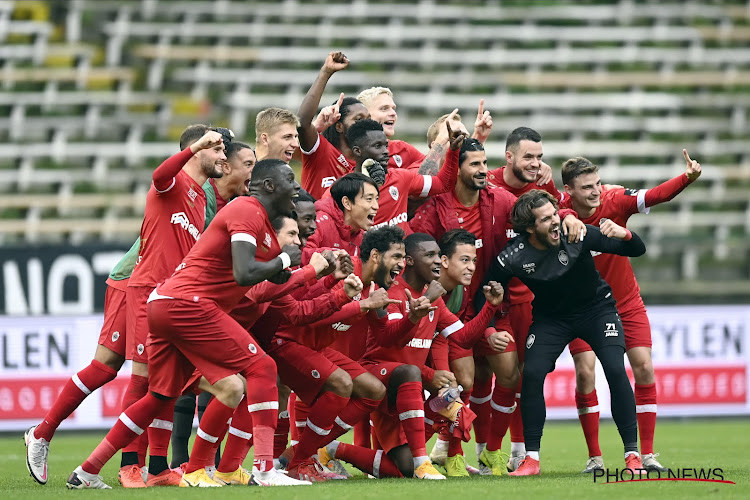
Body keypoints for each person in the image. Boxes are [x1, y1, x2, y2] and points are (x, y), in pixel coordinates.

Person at [65, 159, 310, 489]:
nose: (295, 187)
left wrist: (287, 267)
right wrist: (287, 262)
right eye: (289, 179)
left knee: (160, 397)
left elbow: (255, 279)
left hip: (167, 303)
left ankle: (87, 471)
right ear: (268, 186)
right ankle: (263, 469)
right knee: (263, 368)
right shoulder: (247, 210)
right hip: (187, 305)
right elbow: (244, 273)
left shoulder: (260, 223)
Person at [410, 138, 584, 474]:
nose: (481, 171)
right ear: (456, 169)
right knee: (461, 382)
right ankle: (453, 454)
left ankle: (492, 451)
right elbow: (415, 247)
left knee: (510, 376)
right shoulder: (436, 207)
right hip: (451, 313)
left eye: (483, 162)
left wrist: (565, 214)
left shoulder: (500, 200)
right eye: (473, 164)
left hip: (492, 308)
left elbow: (535, 210)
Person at [480, 189, 647, 477]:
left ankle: (633, 455)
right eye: (546, 220)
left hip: (597, 310)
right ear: (529, 228)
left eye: (555, 215)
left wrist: (625, 234)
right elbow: (483, 293)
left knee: (615, 369)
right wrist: (490, 327)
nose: (556, 222)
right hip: (551, 319)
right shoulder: (513, 256)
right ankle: (531, 459)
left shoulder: (577, 233)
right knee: (531, 373)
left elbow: (637, 249)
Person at [560, 151, 701, 473]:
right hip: (582, 306)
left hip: (625, 301)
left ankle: (648, 455)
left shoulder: (615, 200)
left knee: (644, 368)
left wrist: (687, 177)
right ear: (569, 190)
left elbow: (655, 195)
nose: (595, 192)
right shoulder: (559, 213)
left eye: (597, 184)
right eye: (586, 187)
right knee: (584, 373)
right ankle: (594, 458)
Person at [327, 232, 505, 481]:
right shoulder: (392, 292)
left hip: (410, 388)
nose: (437, 261)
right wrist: (430, 373)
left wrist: (491, 307)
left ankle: (332, 450)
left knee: (403, 469)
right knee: (413, 373)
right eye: (430, 255)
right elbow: (391, 340)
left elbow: (462, 338)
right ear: (409, 261)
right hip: (383, 379)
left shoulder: (435, 299)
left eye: (438, 255)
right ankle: (424, 462)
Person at [270, 226, 415, 482]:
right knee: (341, 383)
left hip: (314, 348)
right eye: (396, 257)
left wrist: (413, 318)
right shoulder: (347, 273)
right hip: (289, 341)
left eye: (403, 258)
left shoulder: (370, 286)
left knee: (374, 390)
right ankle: (299, 460)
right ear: (375, 256)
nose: (401, 265)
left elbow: (383, 335)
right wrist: (362, 305)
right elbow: (310, 318)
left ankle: (300, 453)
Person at [24, 239, 139, 485]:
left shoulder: (223, 207)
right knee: (107, 366)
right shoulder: (200, 201)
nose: (245, 196)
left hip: (159, 287)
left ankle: (142, 466)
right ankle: (42, 434)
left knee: (154, 375)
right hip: (134, 281)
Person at [346, 119, 462, 232]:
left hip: (404, 249)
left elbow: (443, 184)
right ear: (357, 151)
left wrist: (453, 151)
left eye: (386, 146)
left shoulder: (400, 177)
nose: (386, 151)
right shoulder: (345, 188)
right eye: (377, 146)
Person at [297, 52, 370, 199]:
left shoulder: (370, 164)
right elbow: (302, 123)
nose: (366, 124)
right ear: (339, 126)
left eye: (368, 118)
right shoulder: (321, 152)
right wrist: (326, 72)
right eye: (358, 119)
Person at [303, 173, 379, 262]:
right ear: (347, 203)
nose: (376, 206)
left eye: (376, 199)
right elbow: (301, 254)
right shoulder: (320, 223)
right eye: (369, 199)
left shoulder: (361, 235)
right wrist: (334, 255)